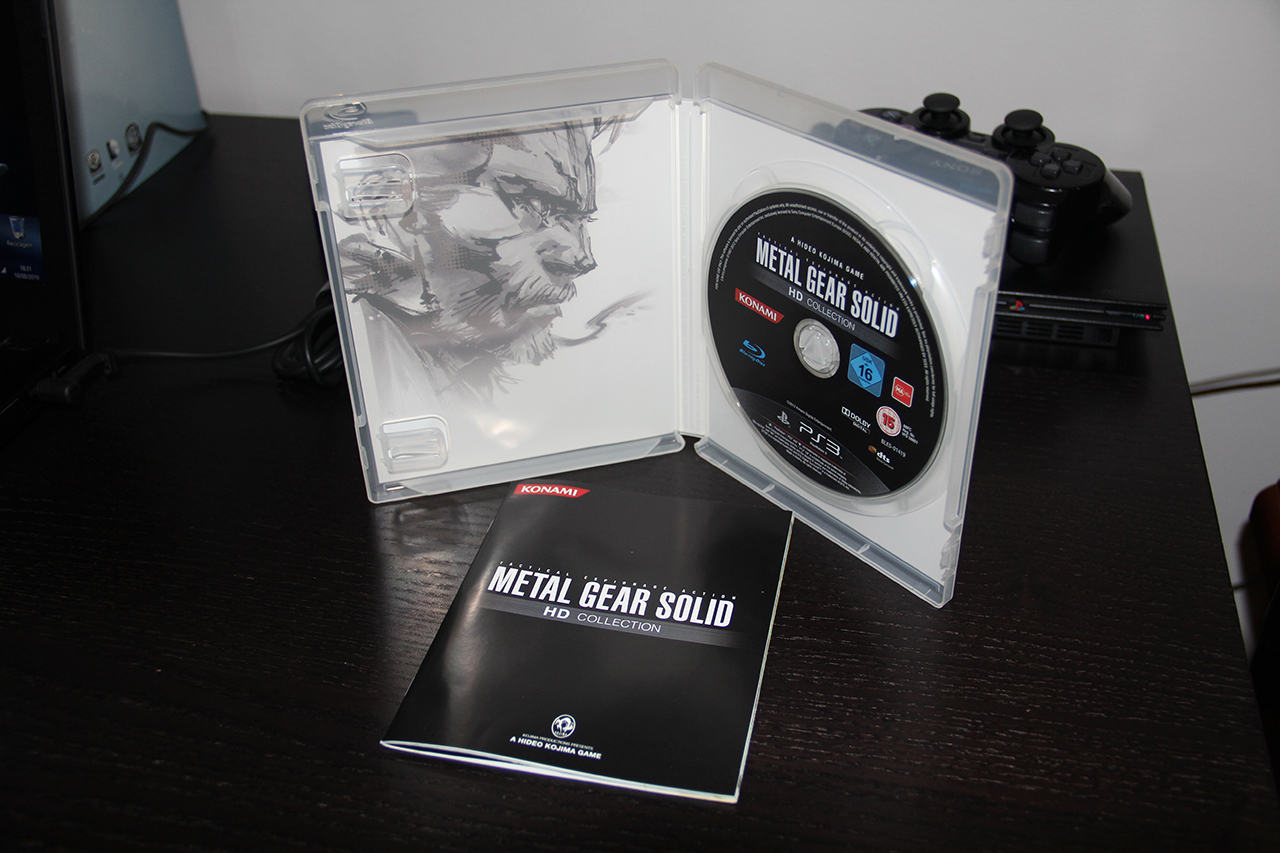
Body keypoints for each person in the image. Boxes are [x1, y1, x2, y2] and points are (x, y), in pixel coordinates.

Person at [336, 121, 602, 397]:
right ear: (404, 202)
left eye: (580, 221)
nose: (582, 258)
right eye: (535, 205)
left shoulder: (483, 376)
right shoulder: (372, 349)